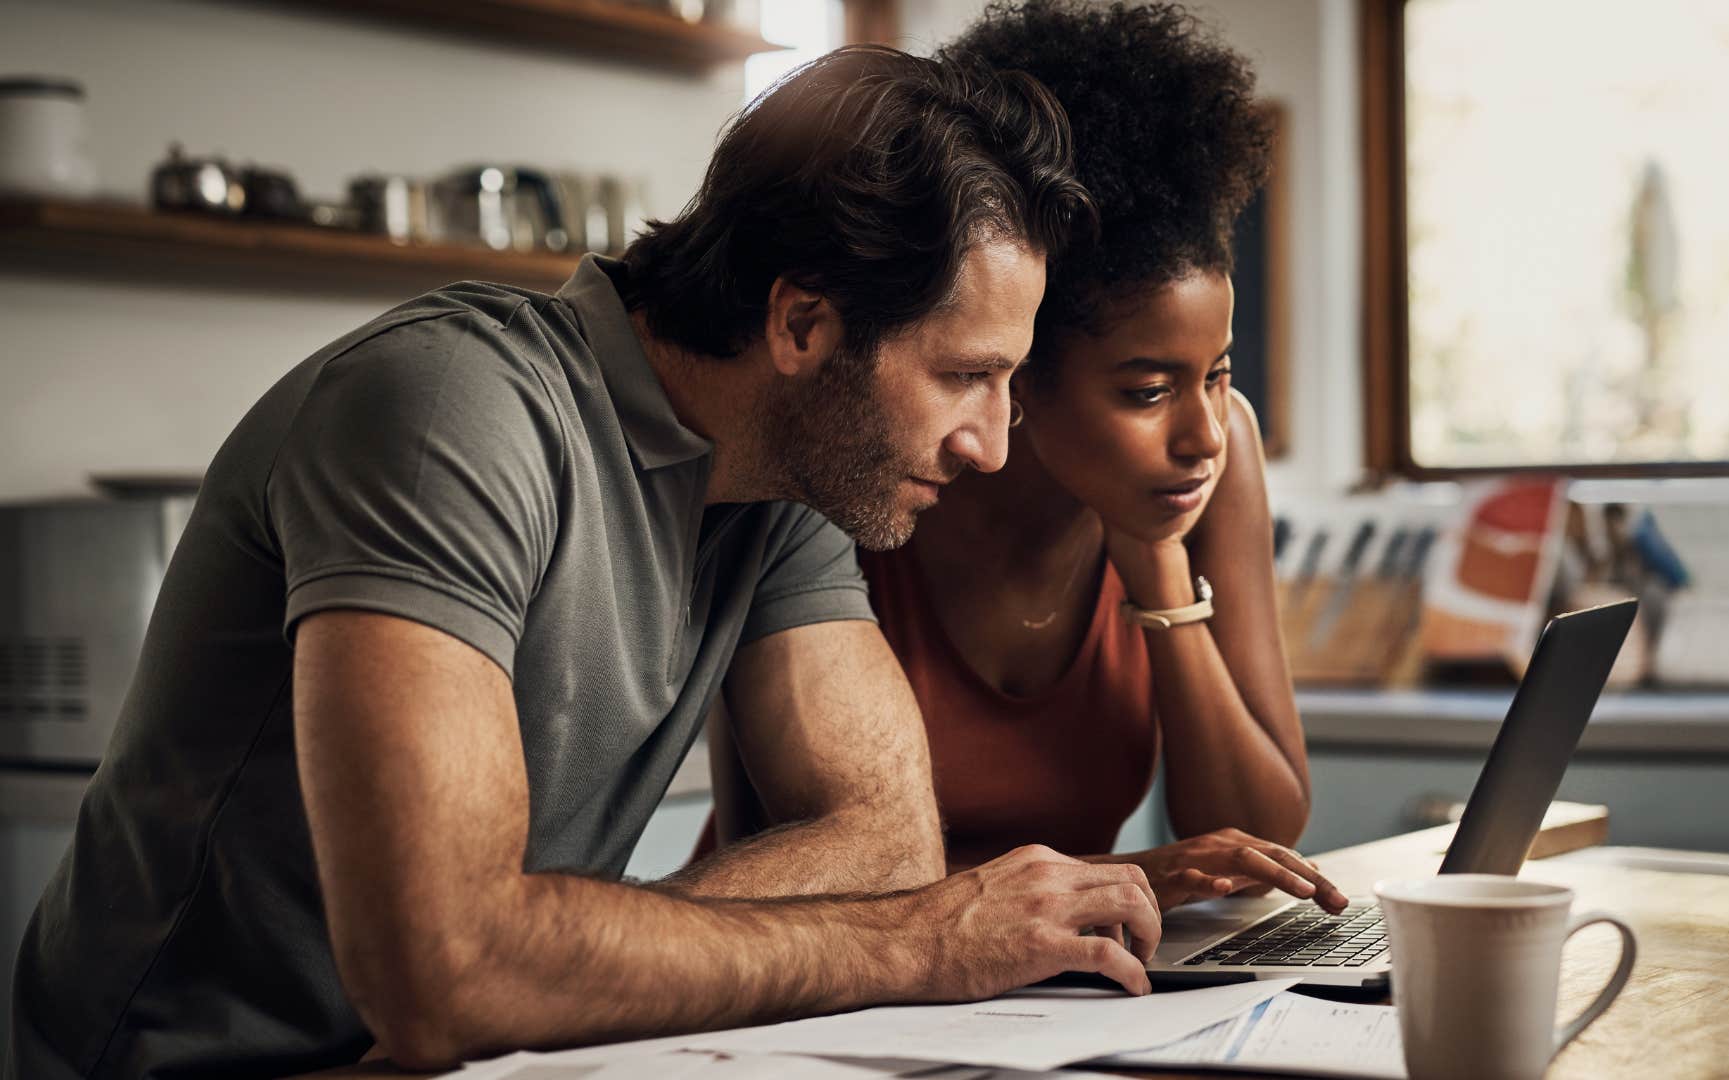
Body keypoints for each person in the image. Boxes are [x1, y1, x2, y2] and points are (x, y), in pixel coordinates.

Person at [7, 46, 1166, 1080]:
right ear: (804, 327)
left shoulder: (791, 475)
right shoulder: (450, 412)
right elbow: (450, 969)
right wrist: (921, 942)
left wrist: (541, 968)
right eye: (965, 374)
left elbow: (883, 841)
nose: (995, 442)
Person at [701, 1, 1348, 917]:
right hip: (814, 983)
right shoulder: (863, 470)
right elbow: (772, 862)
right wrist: (1113, 879)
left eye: (1219, 373)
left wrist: (1157, 564)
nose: (1203, 432)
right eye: (1147, 390)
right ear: (1019, 369)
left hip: (1041, 983)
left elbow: (1262, 834)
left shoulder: (1210, 459)